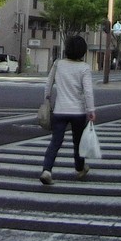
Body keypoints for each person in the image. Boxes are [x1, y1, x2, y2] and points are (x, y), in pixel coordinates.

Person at [39, 35, 97, 185]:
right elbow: (88, 91)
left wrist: (47, 98)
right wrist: (91, 110)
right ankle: (79, 168)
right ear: (82, 51)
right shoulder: (84, 67)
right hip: (78, 112)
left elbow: (48, 83)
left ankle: (47, 170)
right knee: (78, 142)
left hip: (60, 110)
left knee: (55, 141)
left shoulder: (58, 64)